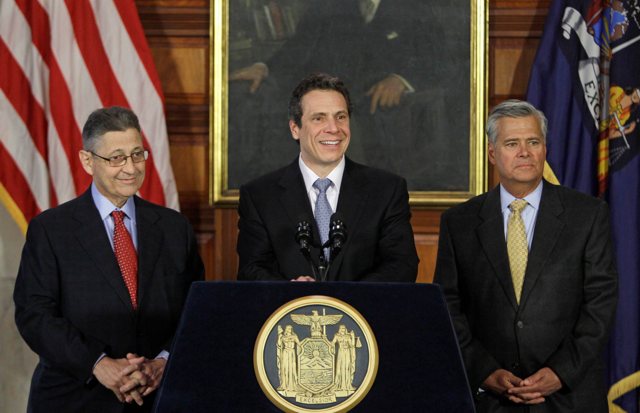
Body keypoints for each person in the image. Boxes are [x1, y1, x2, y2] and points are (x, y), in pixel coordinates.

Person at [13, 106, 205, 412]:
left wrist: (163, 362)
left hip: (158, 397)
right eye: (116, 158)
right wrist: (98, 363)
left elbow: (196, 309)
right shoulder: (50, 229)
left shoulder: (174, 228)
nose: (131, 168)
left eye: (137, 154)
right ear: (87, 161)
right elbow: (35, 315)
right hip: (75, 398)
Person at [433, 100, 618, 411]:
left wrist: (561, 372)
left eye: (533, 142)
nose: (524, 152)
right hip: (490, 400)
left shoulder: (587, 215)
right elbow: (447, 306)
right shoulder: (459, 222)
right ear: (492, 153)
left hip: (568, 398)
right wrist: (484, 371)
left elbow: (601, 302)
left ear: (544, 148)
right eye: (512, 143)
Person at [228, 0, 465, 191]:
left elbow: (442, 60)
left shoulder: (415, 7)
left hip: (386, 115)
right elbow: (299, 46)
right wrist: (264, 67)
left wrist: (402, 79)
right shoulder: (328, 5)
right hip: (333, 104)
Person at [236, 73, 418, 282]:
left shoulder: (386, 190)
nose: (333, 129)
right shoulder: (260, 196)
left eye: (340, 117)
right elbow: (251, 270)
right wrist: (290, 292)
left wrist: (344, 298)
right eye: (319, 118)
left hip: (364, 305)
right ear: (295, 129)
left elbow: (402, 266)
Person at [331, 325, 357, 393]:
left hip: (347, 352)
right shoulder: (337, 336)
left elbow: (352, 345)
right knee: (340, 368)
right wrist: (331, 347)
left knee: (347, 367)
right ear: (339, 329)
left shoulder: (347, 336)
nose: (343, 329)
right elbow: (332, 343)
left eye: (344, 328)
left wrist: (353, 336)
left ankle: (347, 385)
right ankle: (339, 385)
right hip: (341, 352)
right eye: (341, 328)